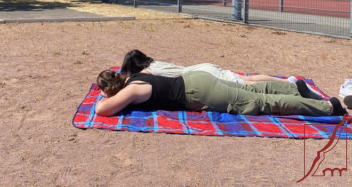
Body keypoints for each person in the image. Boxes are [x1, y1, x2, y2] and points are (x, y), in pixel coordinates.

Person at [95, 69, 349, 118]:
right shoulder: (136, 77)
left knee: (260, 102)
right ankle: (295, 88)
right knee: (251, 88)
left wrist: (107, 98)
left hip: (198, 93)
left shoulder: (131, 91)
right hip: (196, 79)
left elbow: (102, 110)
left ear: (109, 90)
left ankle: (329, 108)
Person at [121, 49, 299, 86]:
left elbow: (130, 80)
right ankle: (285, 81)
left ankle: (286, 85)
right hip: (201, 68)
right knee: (246, 78)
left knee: (244, 84)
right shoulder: (155, 63)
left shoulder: (147, 72)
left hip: (200, 74)